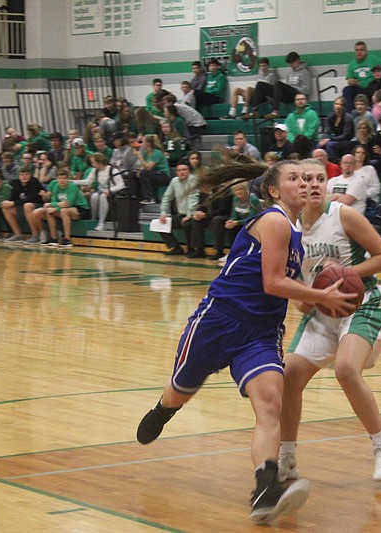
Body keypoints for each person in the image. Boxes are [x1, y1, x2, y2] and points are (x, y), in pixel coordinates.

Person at [135, 159, 357, 524]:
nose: (304, 183)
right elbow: (271, 282)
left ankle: (264, 489)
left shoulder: (295, 233)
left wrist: (304, 298)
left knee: (271, 403)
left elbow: (281, 283)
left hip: (261, 332)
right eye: (294, 178)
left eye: (307, 178)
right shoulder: (273, 220)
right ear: (274, 190)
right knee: (180, 391)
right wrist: (320, 297)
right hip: (220, 320)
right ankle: (165, 408)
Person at [280, 158, 381, 484]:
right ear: (297, 186)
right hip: (322, 312)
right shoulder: (288, 227)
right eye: (306, 179)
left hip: (361, 305)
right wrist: (304, 296)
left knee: (346, 369)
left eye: (320, 178)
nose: (314, 184)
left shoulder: (343, 215)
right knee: (288, 377)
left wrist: (341, 275)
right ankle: (287, 457)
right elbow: (287, 279)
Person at [246, 51, 312, 120]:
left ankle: (275, 111)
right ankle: (254, 112)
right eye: (290, 64)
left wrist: (293, 87)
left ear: (297, 60)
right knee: (260, 85)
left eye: (292, 63)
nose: (291, 66)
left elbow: (307, 90)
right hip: (288, 95)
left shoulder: (305, 72)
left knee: (278, 84)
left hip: (298, 95)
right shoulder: (290, 73)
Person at [36, 167, 90, 248]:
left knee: (63, 211)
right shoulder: (56, 186)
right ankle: (53, 239)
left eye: (64, 178)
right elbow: (53, 201)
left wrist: (55, 207)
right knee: (49, 211)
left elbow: (68, 203)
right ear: (57, 179)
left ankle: (67, 239)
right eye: (60, 178)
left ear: (68, 179)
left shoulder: (72, 186)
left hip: (80, 208)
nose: (62, 180)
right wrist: (57, 205)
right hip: (65, 208)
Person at [342, 41, 381, 113]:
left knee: (375, 86)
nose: (359, 52)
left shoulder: (375, 60)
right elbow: (350, 79)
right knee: (347, 90)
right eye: (357, 50)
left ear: (366, 51)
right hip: (358, 88)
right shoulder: (352, 64)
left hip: (372, 87)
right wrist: (351, 81)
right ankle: (350, 114)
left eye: (361, 50)